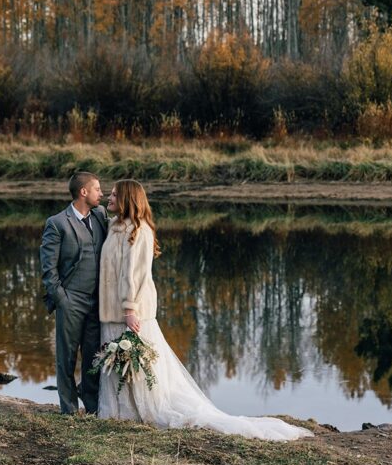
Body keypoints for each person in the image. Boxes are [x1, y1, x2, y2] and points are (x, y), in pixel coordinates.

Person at [97, 179, 312, 441]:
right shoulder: (115, 226)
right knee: (117, 363)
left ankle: (143, 412)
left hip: (131, 311)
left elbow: (136, 275)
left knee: (140, 366)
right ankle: (120, 412)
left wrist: (130, 308)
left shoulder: (140, 230)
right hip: (109, 312)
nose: (109, 196)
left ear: (127, 199)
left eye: (114, 194)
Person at [39, 171, 109, 414]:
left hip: (97, 301)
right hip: (71, 300)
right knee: (66, 358)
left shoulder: (100, 215)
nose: (102, 193)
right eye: (97, 189)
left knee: (93, 357)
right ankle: (68, 409)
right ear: (83, 192)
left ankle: (92, 408)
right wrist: (62, 299)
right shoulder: (57, 223)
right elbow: (48, 269)